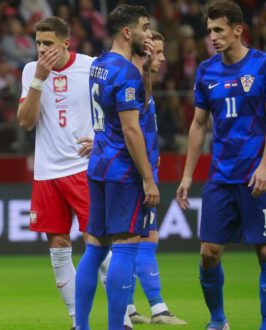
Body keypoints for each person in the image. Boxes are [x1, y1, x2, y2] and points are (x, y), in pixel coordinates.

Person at [176, 1, 266, 329]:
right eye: (209, 30)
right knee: (208, 253)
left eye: (219, 30)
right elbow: (198, 125)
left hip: (256, 174)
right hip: (221, 176)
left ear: (238, 30)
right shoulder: (206, 71)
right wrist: (186, 175)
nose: (212, 36)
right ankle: (218, 321)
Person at [74, 4, 160, 330]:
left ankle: (81, 326)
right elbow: (131, 128)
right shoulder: (125, 73)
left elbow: (139, 104)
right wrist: (149, 179)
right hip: (122, 171)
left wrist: (146, 71)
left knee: (95, 247)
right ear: (128, 32)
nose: (148, 35)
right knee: (126, 247)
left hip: (97, 166)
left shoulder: (99, 65)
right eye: (145, 28)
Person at [16, 16, 95, 329]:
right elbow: (25, 121)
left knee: (97, 242)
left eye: (48, 43)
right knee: (59, 247)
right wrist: (39, 78)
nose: (42, 49)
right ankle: (78, 322)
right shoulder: (30, 71)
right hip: (47, 172)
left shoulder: (91, 67)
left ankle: (124, 315)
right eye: (38, 44)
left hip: (84, 168)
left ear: (66, 42)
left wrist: (101, 139)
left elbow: (117, 110)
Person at [122, 30, 186, 326]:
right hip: (137, 174)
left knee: (133, 241)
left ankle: (129, 306)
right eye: (157, 53)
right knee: (144, 239)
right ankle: (158, 309)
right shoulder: (129, 81)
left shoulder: (139, 84)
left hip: (145, 168)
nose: (161, 58)